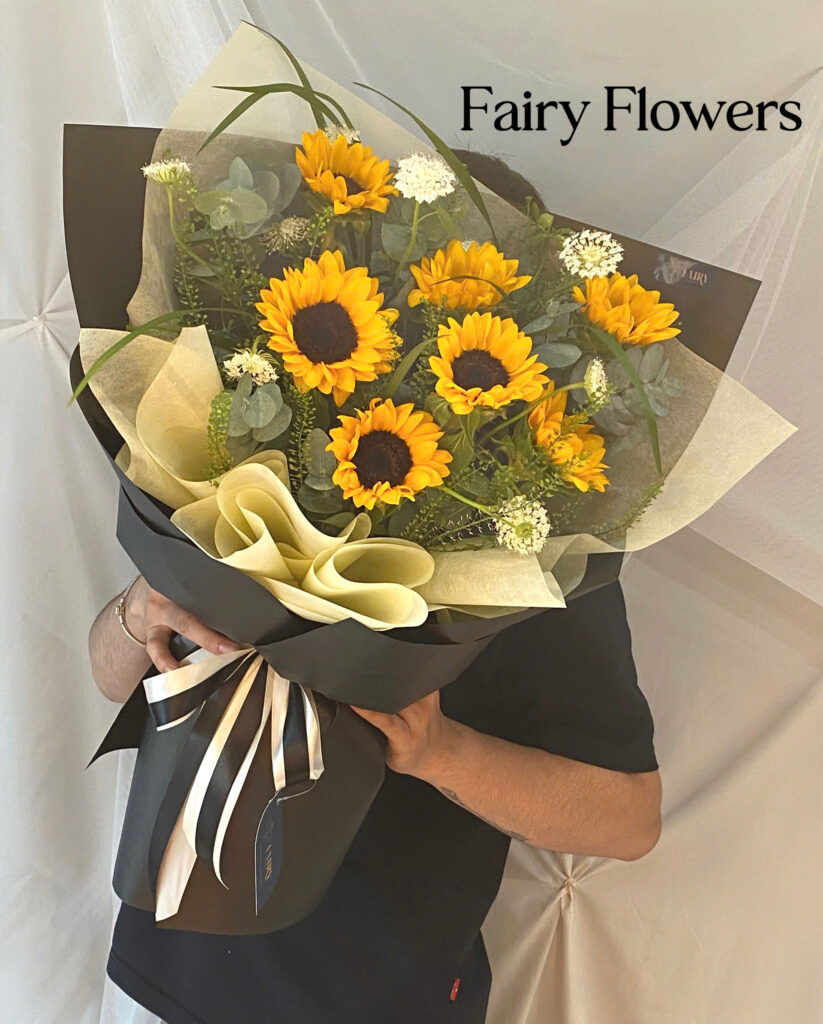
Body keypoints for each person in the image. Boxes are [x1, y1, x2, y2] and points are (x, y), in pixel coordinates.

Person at [88, 155, 662, 1024]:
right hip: (168, 956)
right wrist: (139, 611)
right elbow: (110, 681)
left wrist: (439, 751)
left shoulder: (545, 555)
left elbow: (626, 822)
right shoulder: (239, 466)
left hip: (372, 996)